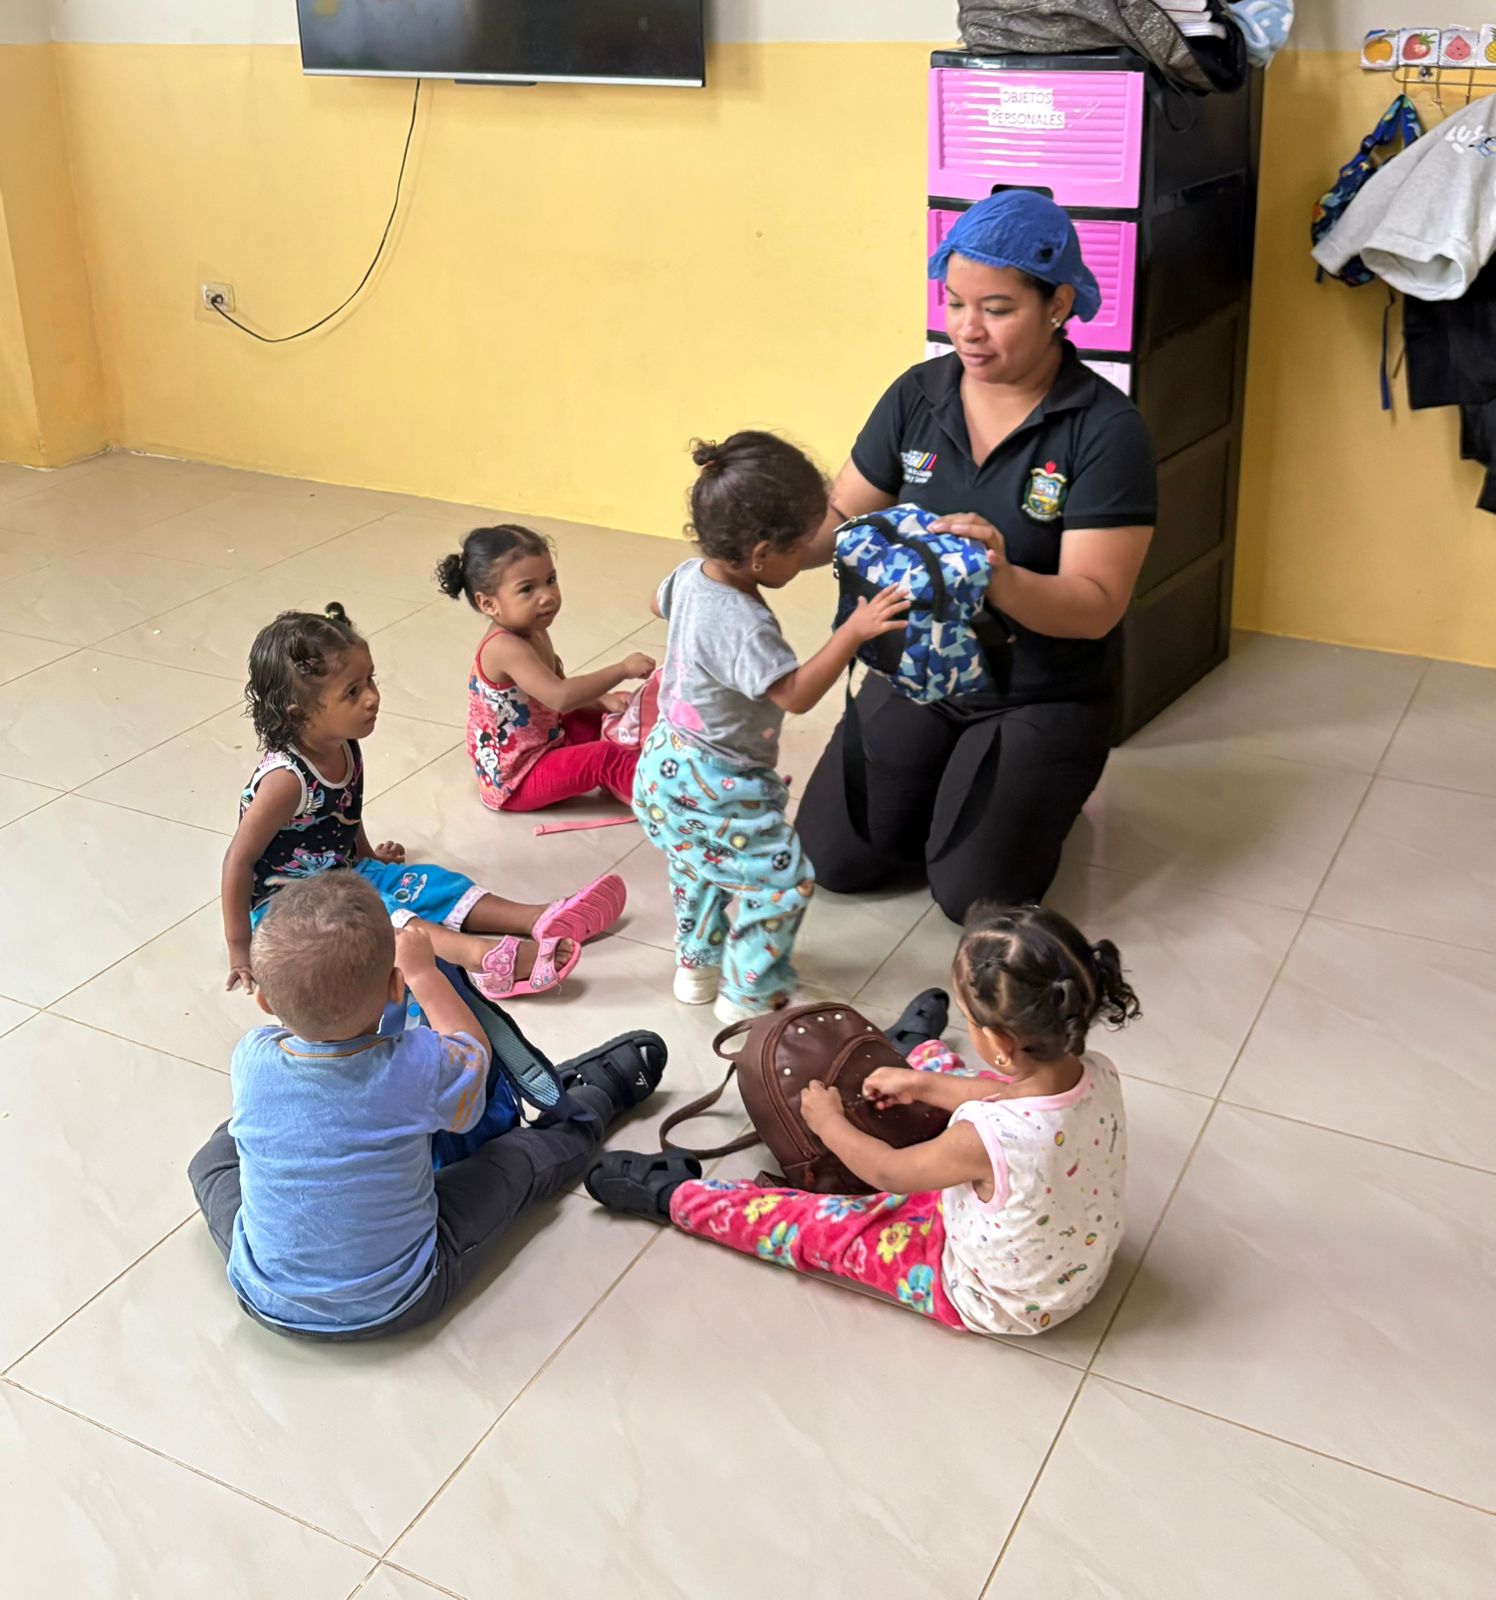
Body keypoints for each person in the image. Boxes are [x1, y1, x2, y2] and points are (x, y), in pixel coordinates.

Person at [795, 190, 1159, 923]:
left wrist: (999, 575)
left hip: (1040, 688)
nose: (967, 329)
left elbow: (1096, 606)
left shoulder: (1104, 429)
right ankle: (949, 779)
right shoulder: (918, 395)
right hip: (919, 667)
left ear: (1057, 304)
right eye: (955, 303)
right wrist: (750, 544)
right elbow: (839, 517)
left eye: (997, 309)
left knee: (973, 894)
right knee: (836, 859)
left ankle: (1041, 782)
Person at [585, 903, 1138, 1337]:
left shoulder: (984, 1138)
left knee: (829, 1230)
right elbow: (1003, 1095)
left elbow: (889, 1174)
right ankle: (910, 1058)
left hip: (992, 1296)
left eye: (971, 1020)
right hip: (1069, 1275)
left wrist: (829, 1123)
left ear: (1000, 1043)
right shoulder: (1095, 1070)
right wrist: (922, 1085)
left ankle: (678, 1197)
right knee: (957, 1086)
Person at [189, 871, 666, 1340]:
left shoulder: (252, 1056)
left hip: (266, 1295)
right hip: (400, 1295)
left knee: (213, 1157)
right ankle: (594, 1102)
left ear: (264, 1001)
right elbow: (474, 1060)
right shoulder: (417, 1066)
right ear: (396, 989)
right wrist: (424, 973)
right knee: (514, 1161)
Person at [634, 432, 909, 1026]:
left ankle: (697, 968)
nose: (810, 555)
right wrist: (853, 631)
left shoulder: (690, 575)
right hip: (718, 781)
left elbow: (657, 603)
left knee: (697, 868)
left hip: (664, 765)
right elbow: (796, 694)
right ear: (760, 555)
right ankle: (749, 996)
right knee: (781, 882)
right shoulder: (746, 623)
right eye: (802, 546)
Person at [221, 603, 625, 1003]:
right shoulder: (285, 781)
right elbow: (238, 860)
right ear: (301, 714)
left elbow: (343, 812)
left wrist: (366, 858)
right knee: (381, 915)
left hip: (342, 874)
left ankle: (536, 917)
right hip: (290, 909)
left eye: (370, 680)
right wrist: (240, 948)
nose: (372, 698)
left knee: (430, 883)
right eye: (352, 692)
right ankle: (479, 958)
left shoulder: (343, 743)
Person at [435, 525, 655, 811]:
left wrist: (602, 700)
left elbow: (555, 691)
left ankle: (652, 760)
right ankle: (670, 804)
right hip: (518, 779)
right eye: (527, 589)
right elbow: (560, 696)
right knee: (604, 757)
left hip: (547, 736)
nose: (547, 596)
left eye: (550, 580)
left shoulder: (533, 628)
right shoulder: (504, 647)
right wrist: (622, 669)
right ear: (488, 603)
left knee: (614, 712)